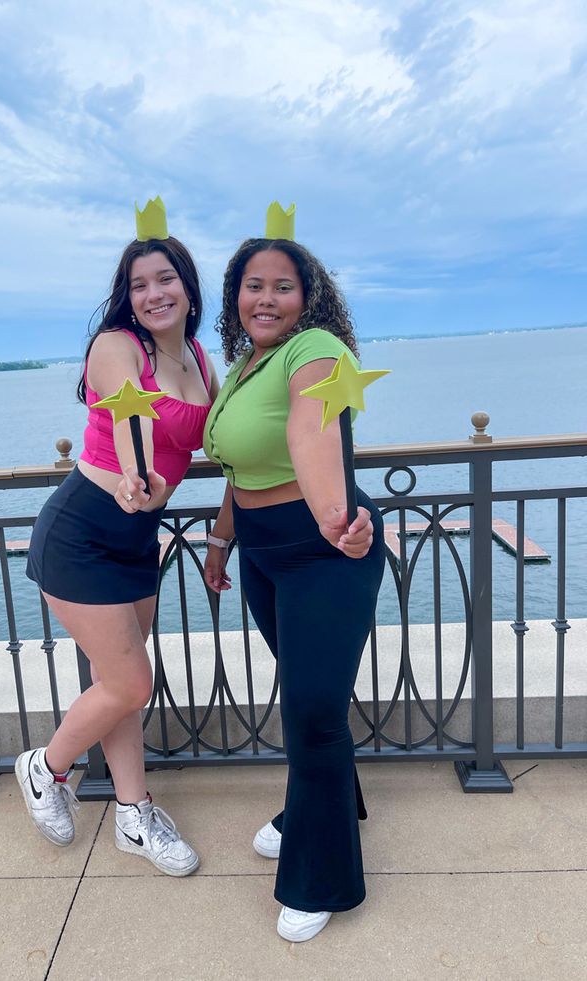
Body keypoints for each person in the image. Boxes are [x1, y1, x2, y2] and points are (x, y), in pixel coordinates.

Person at [18, 199, 219, 877]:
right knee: (132, 680)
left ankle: (133, 815)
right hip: (81, 533)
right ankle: (46, 768)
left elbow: (204, 439)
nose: (153, 293)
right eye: (139, 284)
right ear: (126, 297)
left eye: (165, 279)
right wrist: (138, 481)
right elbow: (131, 419)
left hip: (137, 540)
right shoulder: (115, 347)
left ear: (188, 287)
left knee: (120, 683)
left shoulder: (200, 359)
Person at [202, 208, 385, 941]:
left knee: (310, 709)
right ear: (236, 297)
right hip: (262, 549)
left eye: (283, 285)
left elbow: (311, 429)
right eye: (254, 286)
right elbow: (242, 467)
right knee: (315, 702)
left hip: (324, 547)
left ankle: (323, 879)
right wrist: (220, 542)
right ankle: (323, 799)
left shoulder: (315, 350)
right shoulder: (245, 364)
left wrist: (338, 518)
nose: (267, 298)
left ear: (307, 296)